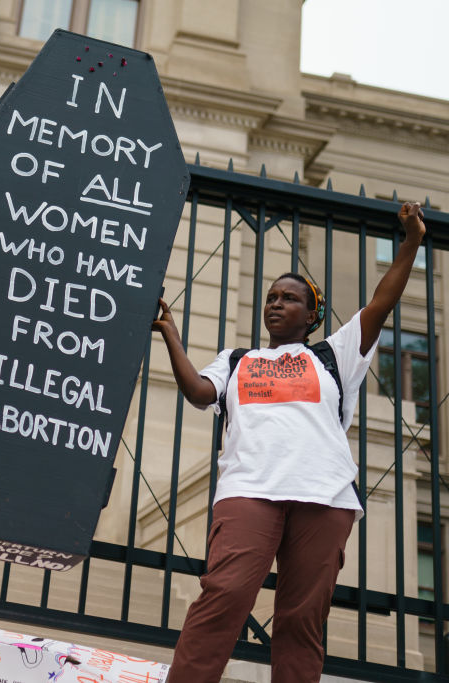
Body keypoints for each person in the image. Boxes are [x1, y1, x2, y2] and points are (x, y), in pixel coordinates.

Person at [152, 202, 427, 682]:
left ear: (312, 314)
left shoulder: (334, 355)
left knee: (302, 618)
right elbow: (199, 392)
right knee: (226, 595)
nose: (276, 303)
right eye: (272, 297)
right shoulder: (238, 359)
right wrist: (171, 334)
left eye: (289, 298)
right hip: (248, 490)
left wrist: (411, 242)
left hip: (324, 495)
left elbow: (381, 303)